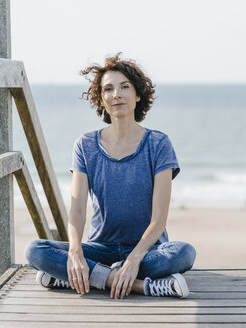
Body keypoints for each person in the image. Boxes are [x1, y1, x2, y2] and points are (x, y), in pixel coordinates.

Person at [24, 53, 196, 299]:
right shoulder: (85, 145)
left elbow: (159, 220)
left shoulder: (159, 143)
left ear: (137, 95)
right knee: (35, 250)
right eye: (109, 89)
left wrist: (134, 258)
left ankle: (86, 278)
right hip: (100, 248)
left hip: (147, 250)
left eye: (125, 87)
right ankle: (136, 284)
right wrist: (75, 253)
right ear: (101, 100)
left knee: (183, 253)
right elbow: (78, 212)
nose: (117, 94)